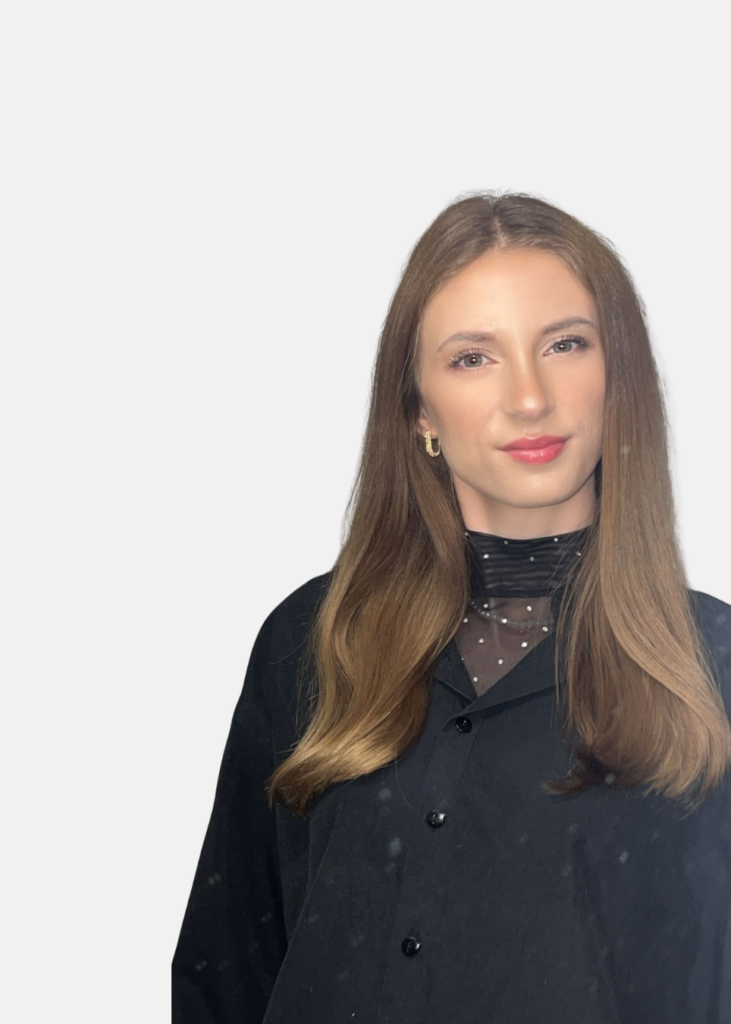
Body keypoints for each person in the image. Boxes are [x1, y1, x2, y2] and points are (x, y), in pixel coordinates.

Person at [171, 191, 731, 1023]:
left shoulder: (713, 666)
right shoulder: (311, 641)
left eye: (564, 345)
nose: (529, 397)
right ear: (418, 410)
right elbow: (226, 972)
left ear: (619, 378)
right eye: (473, 358)